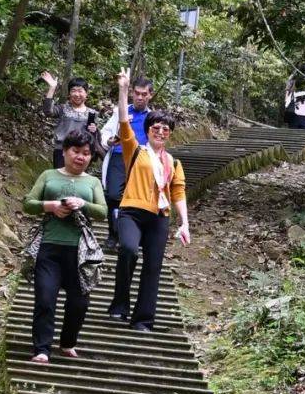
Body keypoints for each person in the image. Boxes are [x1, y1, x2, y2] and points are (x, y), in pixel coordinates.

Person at [107, 68, 190, 333]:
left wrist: (185, 223)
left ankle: (143, 319)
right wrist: (123, 90)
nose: (161, 132)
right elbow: (122, 121)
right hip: (131, 211)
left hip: (159, 217)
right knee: (129, 249)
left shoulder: (173, 162)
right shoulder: (136, 150)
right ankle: (120, 303)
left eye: (166, 129)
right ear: (148, 130)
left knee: (153, 266)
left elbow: (178, 193)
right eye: (156, 128)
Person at [22, 128, 107, 364]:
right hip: (49, 247)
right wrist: (50, 206)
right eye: (76, 151)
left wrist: (83, 203)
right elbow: (28, 203)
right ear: (65, 151)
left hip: (80, 252)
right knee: (45, 299)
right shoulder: (49, 175)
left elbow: (102, 212)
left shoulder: (92, 182)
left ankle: (68, 342)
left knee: (79, 302)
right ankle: (42, 349)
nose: (81, 157)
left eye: (86, 153)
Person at [99, 74, 154, 248]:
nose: (140, 97)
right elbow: (105, 132)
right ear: (131, 93)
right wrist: (109, 141)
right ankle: (113, 234)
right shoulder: (120, 111)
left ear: (150, 95)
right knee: (114, 195)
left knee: (136, 198)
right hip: (118, 155)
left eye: (144, 94)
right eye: (137, 93)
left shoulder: (153, 117)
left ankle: (132, 236)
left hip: (140, 160)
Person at [39, 72, 104, 169]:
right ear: (69, 94)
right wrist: (52, 87)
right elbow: (48, 111)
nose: (77, 94)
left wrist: (94, 131)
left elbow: (94, 138)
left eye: (80, 91)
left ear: (86, 94)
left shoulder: (92, 113)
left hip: (81, 154)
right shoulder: (63, 108)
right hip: (61, 151)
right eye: (73, 91)